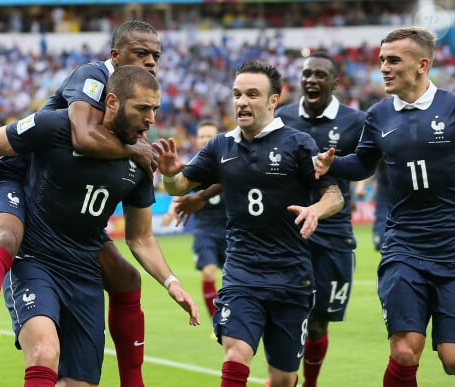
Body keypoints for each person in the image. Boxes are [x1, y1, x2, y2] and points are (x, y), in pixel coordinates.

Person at [0, 21, 162, 384]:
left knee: (126, 277)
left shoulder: (133, 97)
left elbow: (141, 227)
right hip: (18, 176)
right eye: (141, 53)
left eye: (156, 55)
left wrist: (149, 157)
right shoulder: (92, 76)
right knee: (6, 236)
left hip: (61, 200)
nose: (151, 62)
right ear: (116, 56)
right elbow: (81, 137)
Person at [0, 65, 199, 387]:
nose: (151, 118)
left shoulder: (141, 163)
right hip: (34, 260)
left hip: (84, 272)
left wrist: (171, 281)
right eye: (142, 108)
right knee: (45, 351)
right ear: (113, 102)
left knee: (80, 383)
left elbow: (141, 236)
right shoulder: (59, 126)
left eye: (155, 109)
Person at [153, 61, 344, 387]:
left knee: (283, 379)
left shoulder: (298, 144)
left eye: (252, 94)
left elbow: (334, 195)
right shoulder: (220, 146)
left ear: (273, 100)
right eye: (237, 94)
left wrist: (316, 209)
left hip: (292, 276)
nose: (241, 101)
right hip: (243, 273)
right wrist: (170, 175)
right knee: (235, 354)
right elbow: (179, 187)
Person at [313, 26, 455, 385]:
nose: (384, 68)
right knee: (405, 349)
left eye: (394, 60)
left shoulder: (452, 107)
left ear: (422, 64)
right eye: (381, 61)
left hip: (452, 247)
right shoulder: (378, 115)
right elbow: (362, 164)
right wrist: (333, 165)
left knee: (453, 359)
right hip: (405, 244)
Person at [275, 51, 366, 387]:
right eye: (307, 73)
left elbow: (370, 164)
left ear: (334, 82)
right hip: (291, 229)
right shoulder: (283, 117)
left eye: (320, 75)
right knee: (288, 313)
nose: (312, 80)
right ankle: (284, 377)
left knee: (318, 324)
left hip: (333, 232)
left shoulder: (356, 122)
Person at [161, 120, 227, 326]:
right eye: (202, 136)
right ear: (196, 139)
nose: (205, 140)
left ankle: (233, 317)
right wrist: (171, 212)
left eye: (210, 136)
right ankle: (217, 322)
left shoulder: (230, 162)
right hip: (204, 228)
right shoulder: (193, 166)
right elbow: (180, 190)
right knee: (208, 271)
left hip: (230, 228)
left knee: (233, 279)